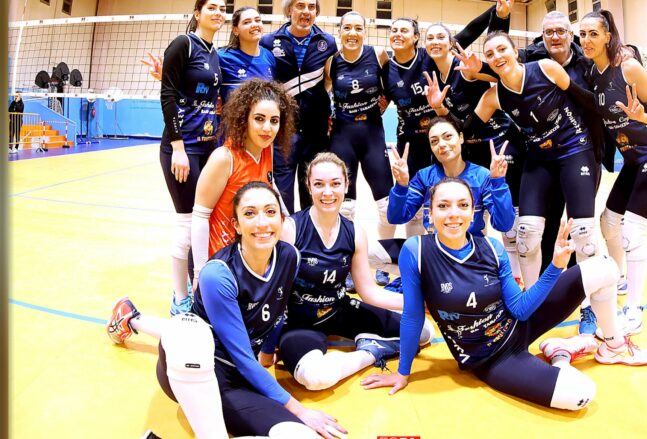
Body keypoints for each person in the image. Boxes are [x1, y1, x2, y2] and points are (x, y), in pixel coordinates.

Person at [360, 178, 647, 411]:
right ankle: (561, 355)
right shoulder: (416, 251)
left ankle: (613, 346)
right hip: (493, 358)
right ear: (431, 212)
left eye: (462, 205)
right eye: (443, 206)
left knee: (604, 267)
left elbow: (520, 309)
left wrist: (555, 266)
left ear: (472, 211)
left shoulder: (491, 247)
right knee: (582, 394)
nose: (453, 213)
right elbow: (413, 316)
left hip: (519, 324)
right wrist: (403, 373)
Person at [108, 182, 347, 438]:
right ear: (236, 225)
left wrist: (267, 354)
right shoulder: (219, 274)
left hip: (239, 374)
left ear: (281, 219)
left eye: (270, 211)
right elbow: (242, 357)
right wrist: (300, 410)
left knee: (299, 435)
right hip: (201, 372)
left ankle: (132, 318)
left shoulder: (289, 256)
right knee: (190, 331)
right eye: (249, 213)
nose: (262, 222)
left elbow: (277, 312)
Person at [275, 152, 434, 391]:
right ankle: (369, 354)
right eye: (319, 184)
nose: (327, 192)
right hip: (300, 323)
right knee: (316, 378)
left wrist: (418, 302)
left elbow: (368, 291)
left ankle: (371, 347)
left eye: (335, 184)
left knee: (422, 332)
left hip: (339, 311)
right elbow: (275, 293)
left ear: (347, 185)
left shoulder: (355, 232)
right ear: (308, 186)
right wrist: (267, 343)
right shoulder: (290, 229)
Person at [468, 31, 601, 297]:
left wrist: (603, 142)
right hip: (539, 158)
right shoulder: (494, 97)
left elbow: (585, 99)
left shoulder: (545, 68)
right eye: (490, 54)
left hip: (575, 148)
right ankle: (531, 302)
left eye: (502, 49)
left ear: (515, 52)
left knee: (583, 233)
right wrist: (439, 109)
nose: (497, 56)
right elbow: (466, 129)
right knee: (526, 234)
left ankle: (589, 305)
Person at [579, 9, 647, 334]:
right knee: (608, 221)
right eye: (583, 34)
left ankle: (633, 309)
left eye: (594, 34)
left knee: (632, 232)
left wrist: (643, 117)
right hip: (633, 158)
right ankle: (620, 279)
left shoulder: (629, 68)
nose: (587, 40)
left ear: (608, 36)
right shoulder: (593, 74)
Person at [382, 2, 511, 237]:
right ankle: (430, 246)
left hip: (489, 139)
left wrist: (499, 12)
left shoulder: (450, 63)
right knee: (443, 199)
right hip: (456, 138)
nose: (436, 41)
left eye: (441, 37)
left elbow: (475, 35)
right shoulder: (417, 70)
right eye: (431, 38)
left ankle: (481, 247)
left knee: (496, 209)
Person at [191, 79, 297, 292]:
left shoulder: (265, 149)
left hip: (251, 253)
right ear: (244, 119)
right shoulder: (224, 158)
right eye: (259, 119)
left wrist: (288, 221)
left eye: (274, 121)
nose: (267, 128)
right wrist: (200, 274)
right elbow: (200, 217)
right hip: (220, 261)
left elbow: (270, 184)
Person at [159, 0, 225, 315]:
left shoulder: (214, 53)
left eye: (223, 8)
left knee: (205, 223)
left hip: (208, 147)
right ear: (198, 13)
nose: (218, 12)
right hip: (182, 149)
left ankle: (202, 292)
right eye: (212, 6)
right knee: (187, 225)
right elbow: (168, 95)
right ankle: (179, 297)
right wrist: (178, 147)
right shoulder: (183, 44)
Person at [323, 11, 395, 285]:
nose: (352, 33)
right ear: (340, 31)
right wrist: (327, 117)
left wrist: (386, 101)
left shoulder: (378, 54)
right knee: (344, 207)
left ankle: (383, 263)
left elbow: (392, 85)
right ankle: (346, 265)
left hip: (372, 134)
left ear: (364, 31)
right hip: (343, 136)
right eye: (347, 28)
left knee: (387, 205)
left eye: (358, 28)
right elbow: (324, 92)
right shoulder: (331, 62)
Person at [260, 0, 337, 213]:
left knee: (312, 186)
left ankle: (309, 231)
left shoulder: (328, 42)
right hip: (284, 130)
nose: (306, 11)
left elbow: (329, 80)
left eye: (311, 7)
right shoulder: (269, 42)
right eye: (300, 6)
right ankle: (286, 232)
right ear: (289, 10)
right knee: (282, 191)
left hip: (316, 130)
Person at [387, 116, 514, 238]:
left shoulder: (481, 176)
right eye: (434, 141)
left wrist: (498, 182)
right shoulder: (424, 177)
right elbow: (396, 218)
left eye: (448, 136)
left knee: (496, 248)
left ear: (461, 137)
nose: (441, 144)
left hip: (471, 248)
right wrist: (401, 185)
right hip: (435, 247)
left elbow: (504, 224)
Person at [143, 6, 276, 102]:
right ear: (235, 30)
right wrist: (166, 77)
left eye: (258, 20)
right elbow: (195, 81)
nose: (255, 25)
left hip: (261, 129)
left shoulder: (269, 57)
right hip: (229, 129)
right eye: (247, 22)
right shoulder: (222, 56)